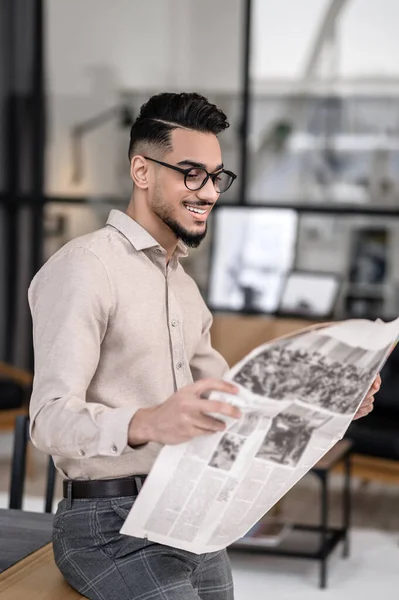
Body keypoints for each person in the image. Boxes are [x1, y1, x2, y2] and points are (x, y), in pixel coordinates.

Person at [28, 92, 379, 600]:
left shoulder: (185, 288)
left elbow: (235, 407)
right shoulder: (86, 267)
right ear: (142, 171)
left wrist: (334, 404)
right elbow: (48, 419)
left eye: (216, 176)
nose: (209, 192)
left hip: (188, 512)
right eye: (191, 173)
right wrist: (146, 422)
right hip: (105, 527)